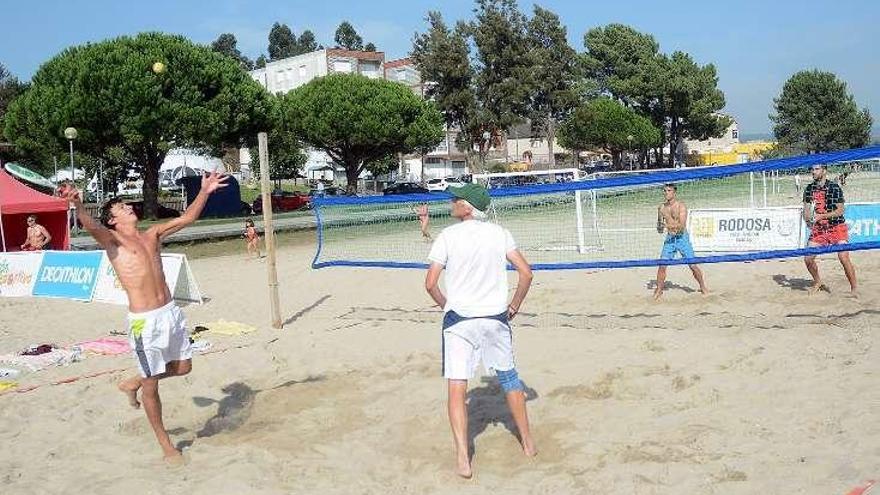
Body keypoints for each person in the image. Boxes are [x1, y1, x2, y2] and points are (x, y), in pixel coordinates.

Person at [61, 172, 228, 464]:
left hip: (171, 313)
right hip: (145, 322)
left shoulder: (152, 235)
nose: (129, 208)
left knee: (184, 368)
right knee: (153, 386)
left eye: (127, 205)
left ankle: (133, 381)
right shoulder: (112, 241)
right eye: (122, 208)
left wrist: (205, 191)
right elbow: (91, 226)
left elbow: (187, 218)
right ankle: (166, 446)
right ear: (113, 220)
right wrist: (78, 206)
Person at [423, 183, 537, 479]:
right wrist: (514, 306)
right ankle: (528, 443)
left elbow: (430, 284)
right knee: (510, 379)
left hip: (460, 320)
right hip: (495, 317)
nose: (452, 201)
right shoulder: (499, 233)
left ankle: (463, 457)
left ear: (468, 207)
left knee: (456, 387)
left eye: (456, 199)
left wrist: (447, 306)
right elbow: (526, 273)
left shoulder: (448, 236)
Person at [803, 164, 857, 294]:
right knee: (808, 258)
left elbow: (840, 210)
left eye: (816, 169)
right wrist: (807, 219)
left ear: (824, 171)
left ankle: (854, 288)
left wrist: (822, 216)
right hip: (820, 228)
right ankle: (818, 282)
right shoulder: (809, 189)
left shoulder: (834, 187)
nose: (813, 172)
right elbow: (806, 210)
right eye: (812, 169)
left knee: (843, 257)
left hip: (836, 226)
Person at [654, 183, 708, 300]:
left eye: (668, 191)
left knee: (693, 265)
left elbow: (682, 226)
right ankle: (659, 290)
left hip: (682, 238)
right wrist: (660, 224)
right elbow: (659, 230)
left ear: (674, 193)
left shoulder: (681, 206)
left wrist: (667, 225)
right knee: (662, 265)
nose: (666, 193)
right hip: (670, 239)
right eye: (664, 191)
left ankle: (703, 287)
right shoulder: (662, 208)